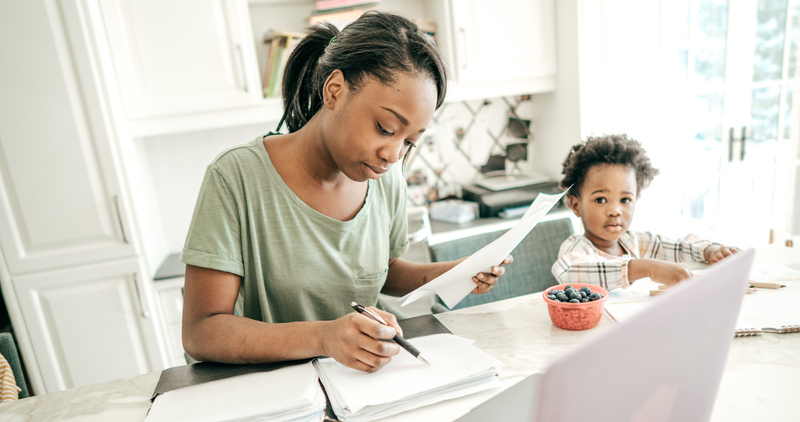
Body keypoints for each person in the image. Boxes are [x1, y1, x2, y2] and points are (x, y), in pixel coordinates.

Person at [181, 11, 511, 373]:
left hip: (363, 380)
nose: (393, 155)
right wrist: (324, 337)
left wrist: (455, 273)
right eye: (385, 128)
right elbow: (201, 332)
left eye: (409, 142)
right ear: (335, 90)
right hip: (279, 387)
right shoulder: (236, 177)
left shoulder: (385, 179)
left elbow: (381, 271)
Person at [551, 134, 739, 290]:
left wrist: (711, 251)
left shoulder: (634, 242)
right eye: (601, 199)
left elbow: (678, 247)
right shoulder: (575, 248)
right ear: (576, 205)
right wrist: (648, 267)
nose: (615, 211)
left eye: (625, 200)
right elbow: (570, 273)